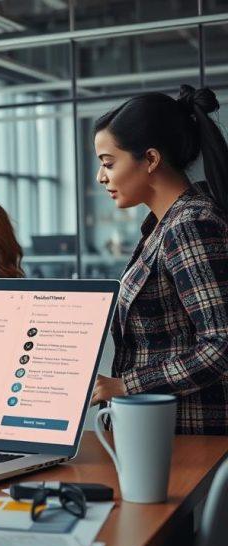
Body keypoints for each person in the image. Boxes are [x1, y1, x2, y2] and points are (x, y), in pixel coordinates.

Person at [89, 85, 228, 435]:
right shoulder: (161, 226)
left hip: (191, 436)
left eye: (108, 163)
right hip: (160, 431)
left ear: (150, 159)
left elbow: (221, 345)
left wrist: (125, 386)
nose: (101, 176)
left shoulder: (189, 225)